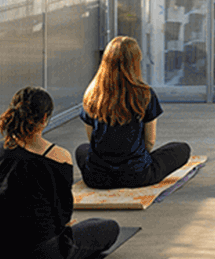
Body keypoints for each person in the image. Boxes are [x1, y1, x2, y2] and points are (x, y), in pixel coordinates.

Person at [0, 86, 120, 259]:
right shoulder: (59, 157)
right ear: (44, 119)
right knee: (109, 228)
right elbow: (63, 216)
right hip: (42, 254)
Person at [76, 35, 192, 189]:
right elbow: (149, 142)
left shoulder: (92, 94)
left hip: (97, 178)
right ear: (135, 62)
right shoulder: (145, 94)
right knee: (182, 149)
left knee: (82, 149)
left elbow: (92, 139)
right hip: (137, 176)